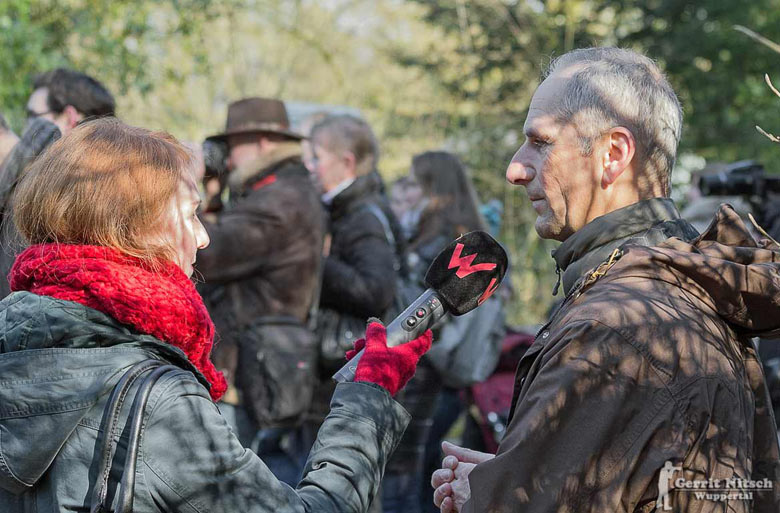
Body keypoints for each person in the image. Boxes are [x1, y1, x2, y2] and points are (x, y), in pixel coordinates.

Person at [0, 117, 433, 512]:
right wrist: (368, 396)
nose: (204, 238)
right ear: (138, 228)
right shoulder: (162, 402)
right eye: (191, 215)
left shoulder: (13, 339)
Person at [432, 47, 780, 512]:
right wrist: (513, 472)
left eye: (541, 142)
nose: (515, 169)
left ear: (613, 155)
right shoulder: (683, 282)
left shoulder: (614, 327)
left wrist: (491, 499)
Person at [194, 98, 325, 482]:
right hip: (260, 361)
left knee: (223, 484)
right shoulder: (285, 189)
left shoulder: (279, 201)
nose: (229, 159)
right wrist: (214, 194)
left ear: (263, 142)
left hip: (245, 369)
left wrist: (189, 187)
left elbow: (207, 252)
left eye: (233, 147)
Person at [0, 68, 116, 297]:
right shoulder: (123, 187)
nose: (25, 128)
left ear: (69, 118)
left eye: (33, 116)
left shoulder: (41, 196)